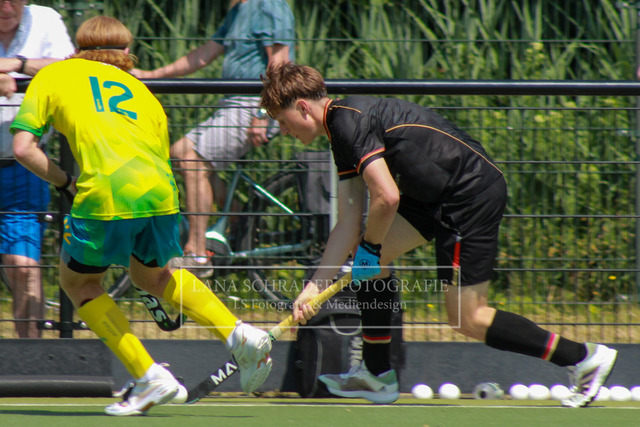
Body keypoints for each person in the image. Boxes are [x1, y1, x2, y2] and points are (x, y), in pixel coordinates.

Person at [260, 62, 618, 408]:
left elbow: (387, 196)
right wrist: (314, 288)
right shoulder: (340, 128)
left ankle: (584, 357)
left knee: (467, 317)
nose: (284, 131)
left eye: (282, 121)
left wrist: (370, 248)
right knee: (368, 261)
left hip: (467, 194)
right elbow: (348, 221)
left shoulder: (347, 122)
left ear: (302, 108)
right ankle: (377, 375)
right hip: (430, 195)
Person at [12, 16, 272, 416]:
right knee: (154, 277)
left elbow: (23, 148)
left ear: (78, 50)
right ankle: (239, 334)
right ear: (126, 54)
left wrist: (65, 181)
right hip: (160, 191)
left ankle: (149, 375)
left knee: (79, 283)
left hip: (106, 192)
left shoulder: (54, 75)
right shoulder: (142, 91)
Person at [131, 0, 295, 278]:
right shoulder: (238, 10)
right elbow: (203, 55)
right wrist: (149, 76)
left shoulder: (269, 4)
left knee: (192, 158)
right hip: (233, 103)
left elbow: (280, 63)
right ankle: (240, 218)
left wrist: (263, 112)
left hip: (253, 103)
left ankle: (197, 253)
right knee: (179, 151)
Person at [0, 1, 75, 338]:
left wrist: (17, 65)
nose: (6, 7)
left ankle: (31, 358)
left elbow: (71, 70)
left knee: (24, 268)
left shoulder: (46, 19)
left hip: (23, 165)